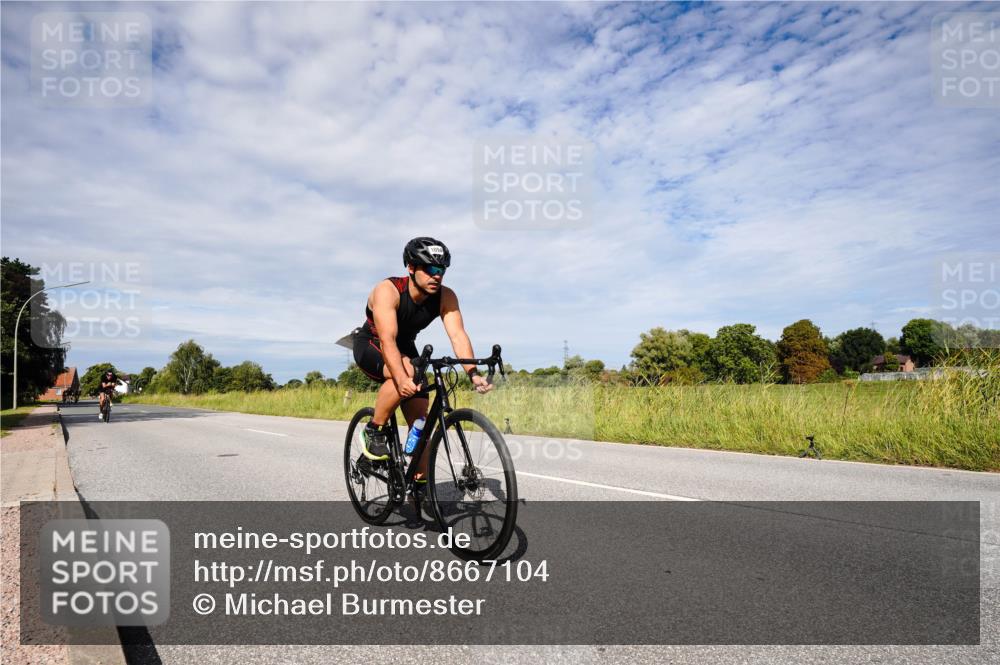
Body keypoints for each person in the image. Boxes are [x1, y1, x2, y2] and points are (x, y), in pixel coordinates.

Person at [353, 237, 493, 479]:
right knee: (407, 373)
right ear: (410, 267)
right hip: (372, 344)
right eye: (429, 269)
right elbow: (388, 340)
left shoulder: (445, 296)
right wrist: (401, 376)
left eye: (441, 270)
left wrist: (473, 373)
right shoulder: (388, 291)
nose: (436, 276)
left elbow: (458, 336)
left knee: (420, 424)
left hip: (406, 348)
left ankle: (417, 484)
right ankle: (374, 430)